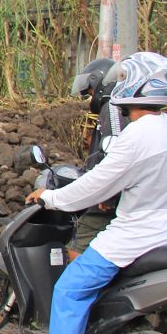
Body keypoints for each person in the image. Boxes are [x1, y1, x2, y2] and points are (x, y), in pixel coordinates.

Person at [8, 52, 167, 334]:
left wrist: (51, 198)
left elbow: (94, 187)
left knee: (70, 289)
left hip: (136, 235)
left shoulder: (136, 136)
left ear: (133, 84)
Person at [66, 58, 125, 259]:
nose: (89, 96)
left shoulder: (112, 107)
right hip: (118, 190)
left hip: (110, 193)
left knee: (81, 238)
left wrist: (108, 194)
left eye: (89, 90)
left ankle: (76, 287)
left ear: (99, 82)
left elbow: (114, 149)